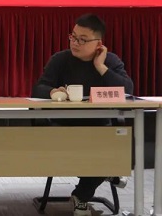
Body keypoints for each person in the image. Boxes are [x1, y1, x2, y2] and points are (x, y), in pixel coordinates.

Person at [32, 14, 133, 216]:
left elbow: (127, 90)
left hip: (100, 127)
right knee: (104, 153)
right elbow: (38, 89)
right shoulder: (60, 59)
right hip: (64, 126)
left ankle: (82, 194)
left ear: (98, 44)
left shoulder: (110, 61)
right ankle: (109, 174)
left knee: (116, 143)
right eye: (73, 37)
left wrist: (101, 67)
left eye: (82, 40)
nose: (75, 43)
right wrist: (52, 92)